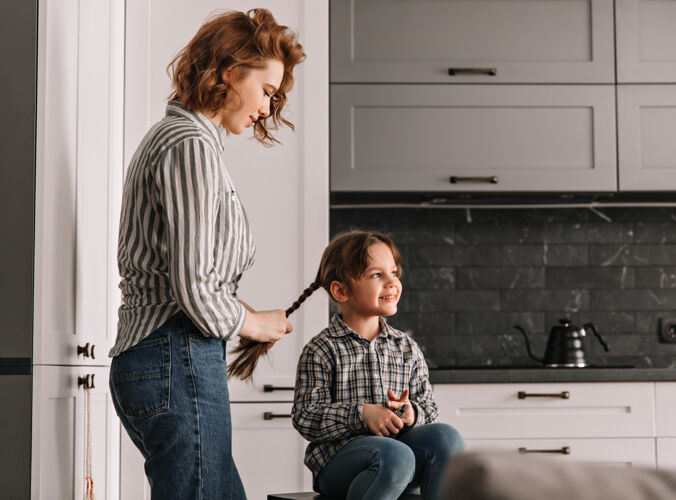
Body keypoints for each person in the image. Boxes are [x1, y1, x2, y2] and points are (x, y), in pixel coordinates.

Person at [108, 9, 304, 500]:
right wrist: (253, 323)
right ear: (228, 71)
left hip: (169, 358)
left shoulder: (187, 142)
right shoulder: (190, 145)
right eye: (266, 90)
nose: (268, 107)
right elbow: (195, 285)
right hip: (174, 354)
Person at [288, 230, 466, 500]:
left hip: (400, 458)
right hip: (339, 465)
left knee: (447, 438)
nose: (392, 282)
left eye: (393, 272)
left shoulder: (406, 348)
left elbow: (429, 407)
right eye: (376, 275)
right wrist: (362, 414)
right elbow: (306, 417)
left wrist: (411, 414)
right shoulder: (321, 349)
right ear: (341, 290)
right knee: (395, 455)